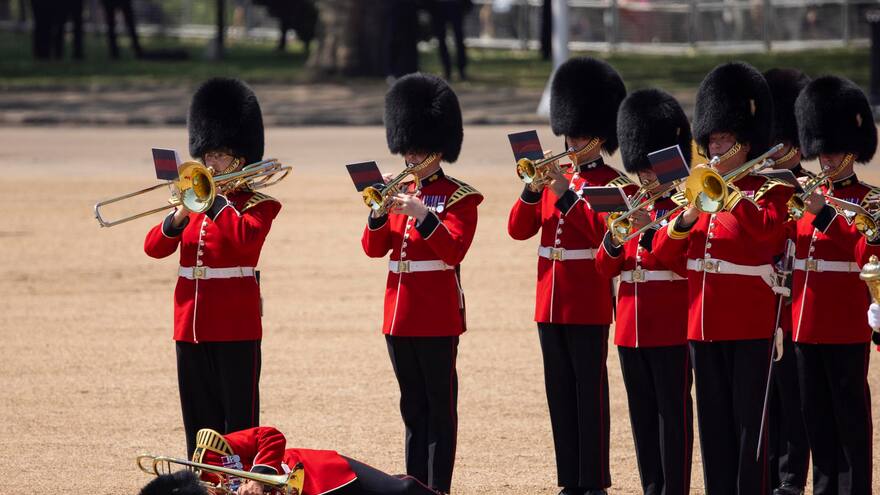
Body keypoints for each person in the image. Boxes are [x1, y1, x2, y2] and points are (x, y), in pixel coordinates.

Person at [651, 62, 794, 495]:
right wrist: (688, 215)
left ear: (744, 144)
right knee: (713, 424)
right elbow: (663, 254)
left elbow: (769, 232)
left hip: (748, 320)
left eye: (725, 139)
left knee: (750, 425)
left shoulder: (772, 188)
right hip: (702, 321)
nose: (715, 146)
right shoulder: (695, 191)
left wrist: (729, 195)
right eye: (712, 138)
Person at [507, 56, 633, 495]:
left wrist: (563, 195)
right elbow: (518, 229)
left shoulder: (617, 185)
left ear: (599, 137)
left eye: (580, 134)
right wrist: (531, 188)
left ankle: (594, 479)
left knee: (589, 393)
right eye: (569, 132)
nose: (572, 140)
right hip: (549, 298)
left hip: (587, 297)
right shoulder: (555, 176)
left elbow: (605, 234)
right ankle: (569, 480)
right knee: (558, 393)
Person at [143, 78, 281, 459]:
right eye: (207, 155)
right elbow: (154, 248)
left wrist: (215, 201)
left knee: (238, 425)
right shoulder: (192, 203)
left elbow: (245, 243)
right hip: (190, 325)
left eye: (219, 156)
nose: (209, 163)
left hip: (235, 326)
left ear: (239, 159)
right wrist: (178, 217)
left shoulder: (258, 204)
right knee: (198, 424)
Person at [361, 73, 482, 495]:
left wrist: (423, 215)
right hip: (399, 313)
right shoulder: (398, 191)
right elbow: (374, 250)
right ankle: (413, 486)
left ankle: (438, 488)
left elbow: (453, 250)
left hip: (435, 315)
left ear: (438, 148)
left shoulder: (459, 197)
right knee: (412, 406)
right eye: (406, 148)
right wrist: (377, 215)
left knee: (439, 408)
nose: (410, 156)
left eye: (418, 149)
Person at [594, 88, 694, 495]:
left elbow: (675, 259)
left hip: (669, 323)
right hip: (630, 325)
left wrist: (650, 228)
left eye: (652, 168)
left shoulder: (685, 203)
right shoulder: (630, 201)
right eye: (642, 168)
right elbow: (604, 266)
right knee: (641, 416)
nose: (646, 176)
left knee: (673, 414)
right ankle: (652, 486)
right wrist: (618, 237)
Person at [790, 75, 878, 495]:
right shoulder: (806, 196)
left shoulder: (870, 200)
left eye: (835, 151)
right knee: (816, 419)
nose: (826, 159)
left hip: (844, 324)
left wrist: (826, 216)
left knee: (849, 419)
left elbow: (869, 256)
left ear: (853, 150)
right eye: (822, 151)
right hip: (804, 324)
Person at [763, 67, 812, 495]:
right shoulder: (757, 188)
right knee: (765, 395)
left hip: (798, 304)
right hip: (760, 301)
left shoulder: (809, 189)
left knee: (795, 396)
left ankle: (791, 478)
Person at [139, 426, 440, 495]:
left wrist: (256, 478)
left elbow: (269, 436)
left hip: (319, 474)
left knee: (399, 492)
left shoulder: (212, 454)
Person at [427, 0, 469, 81]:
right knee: (442, 40)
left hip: (455, 5)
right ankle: (447, 70)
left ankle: (461, 70)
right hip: (439, 6)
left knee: (459, 39)